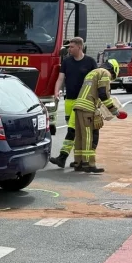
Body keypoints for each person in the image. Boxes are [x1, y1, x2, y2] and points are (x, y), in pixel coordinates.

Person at [50, 37, 98, 168]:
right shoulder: (67, 62)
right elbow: (60, 79)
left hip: (82, 101)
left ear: (79, 47)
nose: (69, 49)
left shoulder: (90, 62)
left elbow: (97, 80)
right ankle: (79, 160)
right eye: (69, 47)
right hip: (69, 100)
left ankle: (62, 157)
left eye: (71, 47)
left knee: (72, 129)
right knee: (75, 131)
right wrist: (56, 92)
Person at [72, 59, 127, 173]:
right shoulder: (105, 73)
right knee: (88, 136)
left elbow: (93, 92)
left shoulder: (93, 72)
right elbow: (103, 93)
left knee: (80, 136)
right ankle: (88, 164)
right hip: (87, 108)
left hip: (78, 106)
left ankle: (78, 163)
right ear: (114, 70)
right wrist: (114, 111)